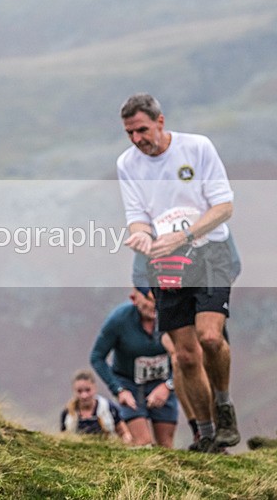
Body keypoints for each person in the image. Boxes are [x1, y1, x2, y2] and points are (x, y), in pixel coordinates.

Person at [117, 93, 239, 453]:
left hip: (210, 252)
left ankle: (224, 404)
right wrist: (140, 234)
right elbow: (137, 215)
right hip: (166, 263)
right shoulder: (128, 164)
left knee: (211, 338)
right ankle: (206, 434)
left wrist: (184, 236)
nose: (137, 139)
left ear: (160, 121)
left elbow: (224, 206)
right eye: (129, 133)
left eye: (142, 129)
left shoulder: (197, 148)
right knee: (184, 356)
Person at [90, 287, 178, 447]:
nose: (155, 306)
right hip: (130, 385)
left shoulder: (173, 316)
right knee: (143, 444)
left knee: (166, 446)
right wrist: (119, 389)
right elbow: (97, 357)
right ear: (134, 298)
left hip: (163, 384)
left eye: (159, 300)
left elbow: (187, 358)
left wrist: (168, 385)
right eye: (149, 300)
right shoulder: (118, 320)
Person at [60, 369, 133, 443]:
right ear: (74, 391)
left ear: (94, 388)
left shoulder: (109, 408)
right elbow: (63, 436)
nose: (84, 395)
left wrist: (126, 440)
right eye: (79, 391)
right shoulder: (68, 412)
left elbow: (124, 433)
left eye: (88, 390)